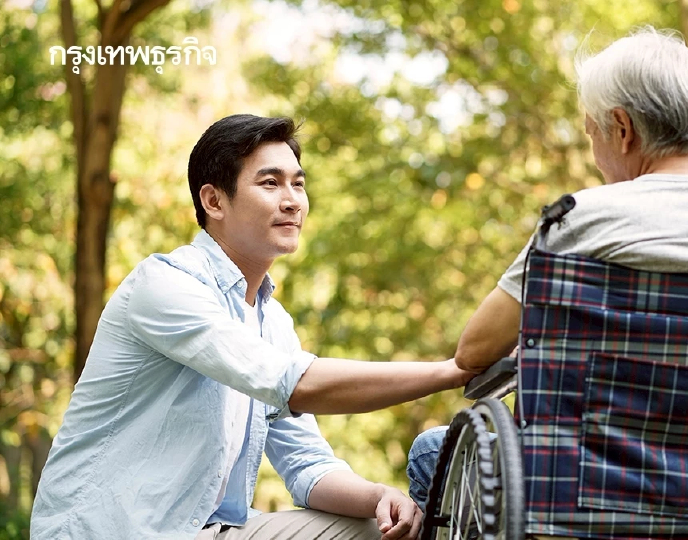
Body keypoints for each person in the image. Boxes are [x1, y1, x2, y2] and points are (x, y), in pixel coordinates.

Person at [406, 26, 688, 510]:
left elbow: (474, 352)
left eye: (592, 133)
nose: (595, 155)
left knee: (433, 451)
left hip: (591, 497)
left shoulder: (580, 221)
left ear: (622, 128)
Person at [31, 114, 473, 540]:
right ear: (213, 200)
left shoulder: (273, 322)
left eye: (298, 183)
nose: (292, 200)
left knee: (381, 528)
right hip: (118, 531)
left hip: (213, 530)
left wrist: (381, 495)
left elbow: (306, 465)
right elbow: (295, 385)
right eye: (270, 182)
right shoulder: (165, 286)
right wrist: (451, 371)